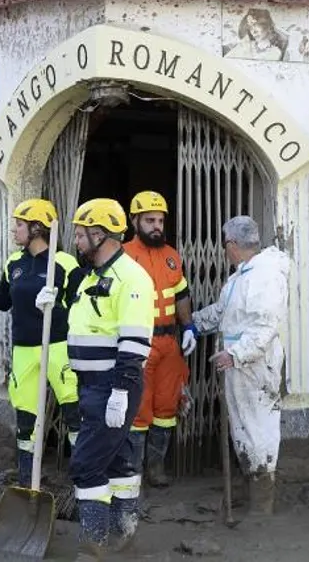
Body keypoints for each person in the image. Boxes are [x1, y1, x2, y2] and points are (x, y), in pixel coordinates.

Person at [35, 198, 154, 558]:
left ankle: (94, 548)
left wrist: (120, 391)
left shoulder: (131, 278)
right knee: (116, 463)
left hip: (113, 386)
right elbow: (87, 329)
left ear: (100, 234)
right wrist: (53, 307)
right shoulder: (91, 276)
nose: (77, 240)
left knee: (85, 465)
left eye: (82, 234)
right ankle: (124, 535)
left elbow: (133, 341)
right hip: (91, 385)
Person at [191, 215, 290, 516]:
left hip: (257, 367)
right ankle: (253, 497)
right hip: (241, 364)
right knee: (245, 429)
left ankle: (262, 508)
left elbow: (265, 325)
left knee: (259, 431)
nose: (224, 250)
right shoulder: (242, 276)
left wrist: (236, 354)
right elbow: (225, 312)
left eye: (225, 245)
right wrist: (192, 324)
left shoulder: (265, 276)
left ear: (232, 245)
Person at [0, 198, 81, 486]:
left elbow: (81, 306)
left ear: (37, 228)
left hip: (58, 347)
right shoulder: (14, 263)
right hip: (24, 349)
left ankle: (81, 482)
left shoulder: (64, 263)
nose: (14, 230)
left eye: (20, 225)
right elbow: (3, 300)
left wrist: (57, 308)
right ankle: (28, 482)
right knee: (26, 419)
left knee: (73, 413)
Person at [122, 191, 196, 488]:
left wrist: (188, 326)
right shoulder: (123, 255)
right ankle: (132, 473)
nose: (156, 226)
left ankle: (156, 469)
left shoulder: (171, 256)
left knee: (167, 408)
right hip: (139, 342)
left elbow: (181, 295)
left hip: (170, 345)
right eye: (150, 220)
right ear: (134, 221)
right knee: (139, 409)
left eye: (160, 220)